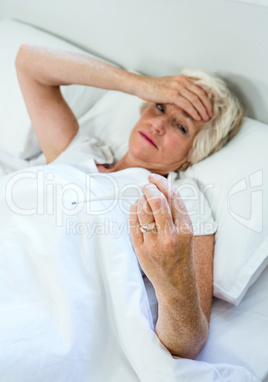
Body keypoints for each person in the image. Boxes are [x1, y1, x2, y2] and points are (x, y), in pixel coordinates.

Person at [15, 44, 243, 359]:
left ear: (194, 152)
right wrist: (140, 85)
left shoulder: (178, 201)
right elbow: (28, 61)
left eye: (181, 126)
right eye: (161, 107)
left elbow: (188, 342)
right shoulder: (77, 152)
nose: (159, 124)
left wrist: (172, 276)